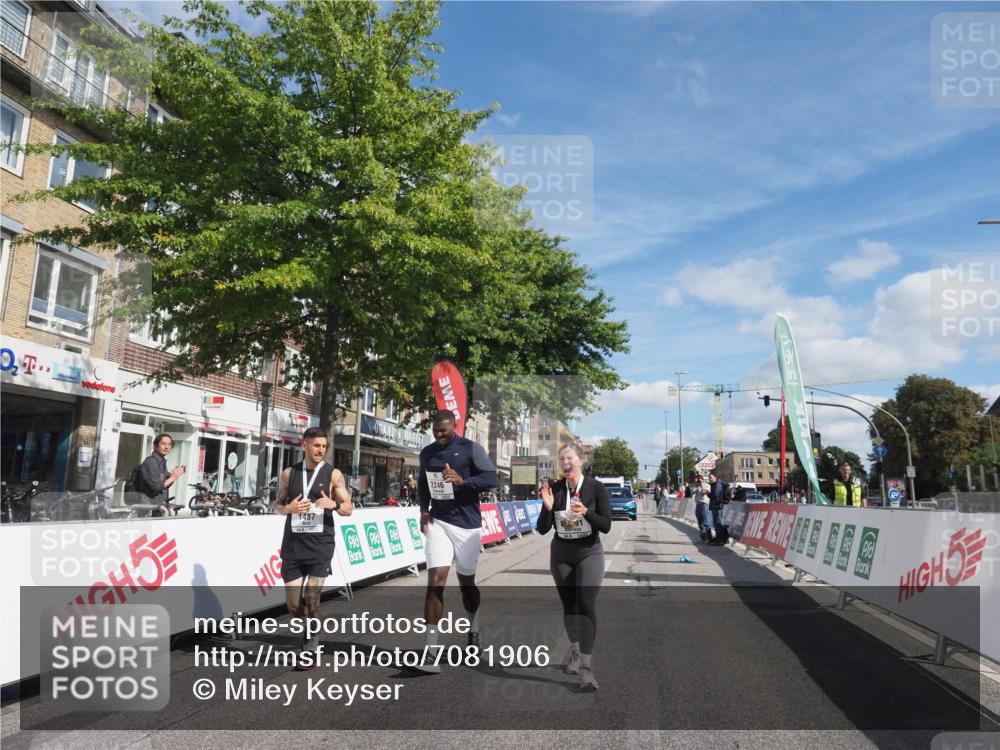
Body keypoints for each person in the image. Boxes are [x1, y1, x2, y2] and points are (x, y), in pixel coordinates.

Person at [416, 410, 499, 672]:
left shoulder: (471, 449)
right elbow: (422, 483)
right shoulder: (427, 453)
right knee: (435, 582)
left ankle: (473, 630)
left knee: (466, 583)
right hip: (439, 521)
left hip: (467, 525)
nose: (439, 435)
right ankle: (430, 651)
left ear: (454, 426)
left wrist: (463, 481)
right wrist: (424, 509)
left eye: (444, 430)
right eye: (435, 430)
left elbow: (491, 478)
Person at [274, 427, 352, 669]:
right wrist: (288, 510)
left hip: (321, 544)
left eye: (324, 446)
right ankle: (309, 630)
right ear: (304, 445)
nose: (321, 450)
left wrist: (333, 504)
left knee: (312, 597)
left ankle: (311, 646)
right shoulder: (289, 474)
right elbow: (277, 503)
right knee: (294, 606)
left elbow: (348, 508)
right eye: (316, 445)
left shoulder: (333, 474)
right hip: (293, 545)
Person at [536, 444, 611, 692]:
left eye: (570, 458)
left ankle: (586, 669)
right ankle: (575, 651)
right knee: (569, 607)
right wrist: (547, 507)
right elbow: (543, 529)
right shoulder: (555, 489)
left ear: (580, 460)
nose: (565, 462)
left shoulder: (595, 488)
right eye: (562, 459)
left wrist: (587, 512)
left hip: (589, 553)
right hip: (561, 554)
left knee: (585, 605)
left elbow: (606, 525)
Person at [134, 433, 186, 516]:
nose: (167, 447)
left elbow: (163, 486)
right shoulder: (152, 462)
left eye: (169, 445)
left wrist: (174, 475)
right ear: (155, 445)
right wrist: (173, 477)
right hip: (147, 509)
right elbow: (156, 487)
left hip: (156, 506)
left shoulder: (161, 462)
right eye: (163, 444)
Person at [692, 475, 713, 543]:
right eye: (697, 480)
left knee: (706, 523)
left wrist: (701, 485)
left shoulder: (707, 485)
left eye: (699, 480)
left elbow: (705, 492)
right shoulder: (696, 486)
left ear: (702, 479)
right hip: (698, 505)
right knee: (700, 523)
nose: (698, 481)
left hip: (704, 505)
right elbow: (692, 492)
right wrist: (696, 485)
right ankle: (703, 538)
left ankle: (709, 538)